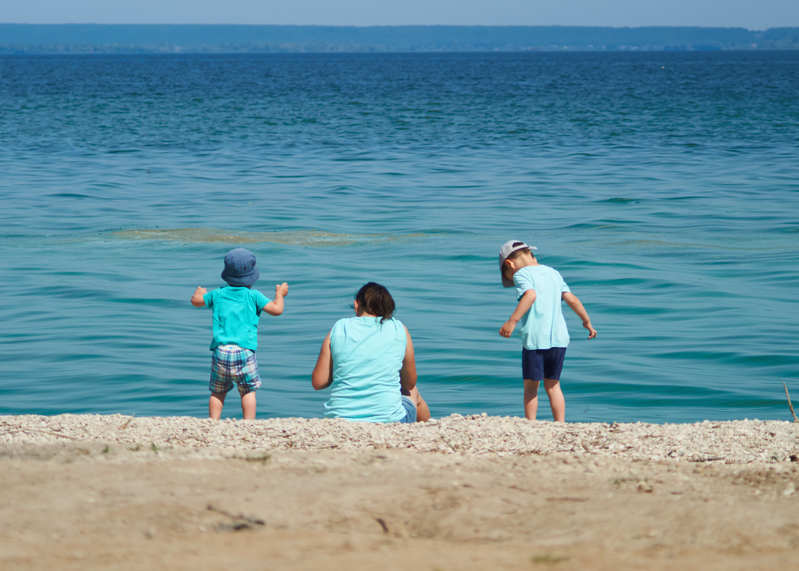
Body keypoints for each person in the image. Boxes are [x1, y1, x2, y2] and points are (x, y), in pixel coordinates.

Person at [498, 240, 596, 421]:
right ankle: (559, 423)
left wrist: (512, 321)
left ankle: (531, 423)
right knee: (553, 385)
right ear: (531, 254)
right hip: (559, 338)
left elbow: (530, 295)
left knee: (531, 387)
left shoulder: (522, 275)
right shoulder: (553, 273)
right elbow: (571, 298)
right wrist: (586, 321)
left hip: (535, 339)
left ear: (509, 264)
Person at [191, 247, 288, 420]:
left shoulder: (218, 294)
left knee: (217, 392)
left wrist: (199, 293)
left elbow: (197, 302)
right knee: (248, 392)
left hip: (221, 351)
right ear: (252, 276)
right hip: (244, 351)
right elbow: (277, 310)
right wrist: (280, 294)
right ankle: (248, 424)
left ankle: (212, 422)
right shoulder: (254, 296)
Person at [311, 282, 430, 423]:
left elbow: (318, 382)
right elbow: (409, 383)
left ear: (356, 305)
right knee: (413, 392)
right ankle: (428, 430)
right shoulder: (399, 328)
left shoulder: (339, 327)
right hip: (389, 420)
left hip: (339, 418)